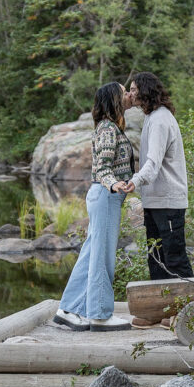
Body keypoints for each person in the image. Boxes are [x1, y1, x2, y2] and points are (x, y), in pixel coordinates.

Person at [54, 82, 133, 332]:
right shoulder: (108, 129)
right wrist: (115, 185)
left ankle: (67, 310)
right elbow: (102, 169)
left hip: (103, 196)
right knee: (102, 257)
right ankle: (99, 314)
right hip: (105, 195)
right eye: (124, 92)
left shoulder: (108, 127)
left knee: (91, 254)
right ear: (114, 99)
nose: (128, 95)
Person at [124, 72, 194, 329]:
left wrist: (135, 181)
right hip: (155, 201)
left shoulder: (162, 119)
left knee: (174, 258)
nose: (130, 94)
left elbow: (152, 163)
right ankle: (159, 311)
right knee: (156, 257)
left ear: (145, 91)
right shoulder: (152, 118)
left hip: (169, 202)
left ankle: (189, 312)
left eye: (133, 90)